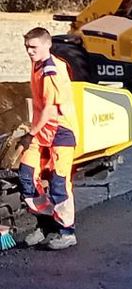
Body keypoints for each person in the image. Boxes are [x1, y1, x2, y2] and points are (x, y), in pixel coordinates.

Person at [16, 27, 78, 251]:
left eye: (33, 47)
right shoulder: (37, 64)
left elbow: (49, 111)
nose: (29, 51)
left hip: (61, 131)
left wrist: (29, 135)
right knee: (27, 176)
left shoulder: (51, 71)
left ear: (47, 45)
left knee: (58, 182)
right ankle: (46, 223)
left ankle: (67, 232)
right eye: (27, 47)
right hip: (42, 131)